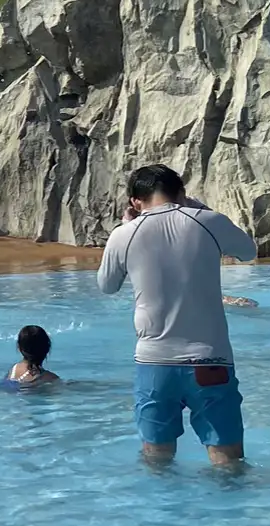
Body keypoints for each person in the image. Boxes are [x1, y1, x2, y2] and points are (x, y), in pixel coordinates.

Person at [97, 163, 257, 465]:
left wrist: (124, 229)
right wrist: (200, 209)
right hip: (210, 361)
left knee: (156, 461)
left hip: (154, 362)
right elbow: (249, 252)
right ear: (182, 193)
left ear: (134, 201)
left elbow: (107, 286)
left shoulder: (124, 234)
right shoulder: (209, 221)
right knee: (228, 462)